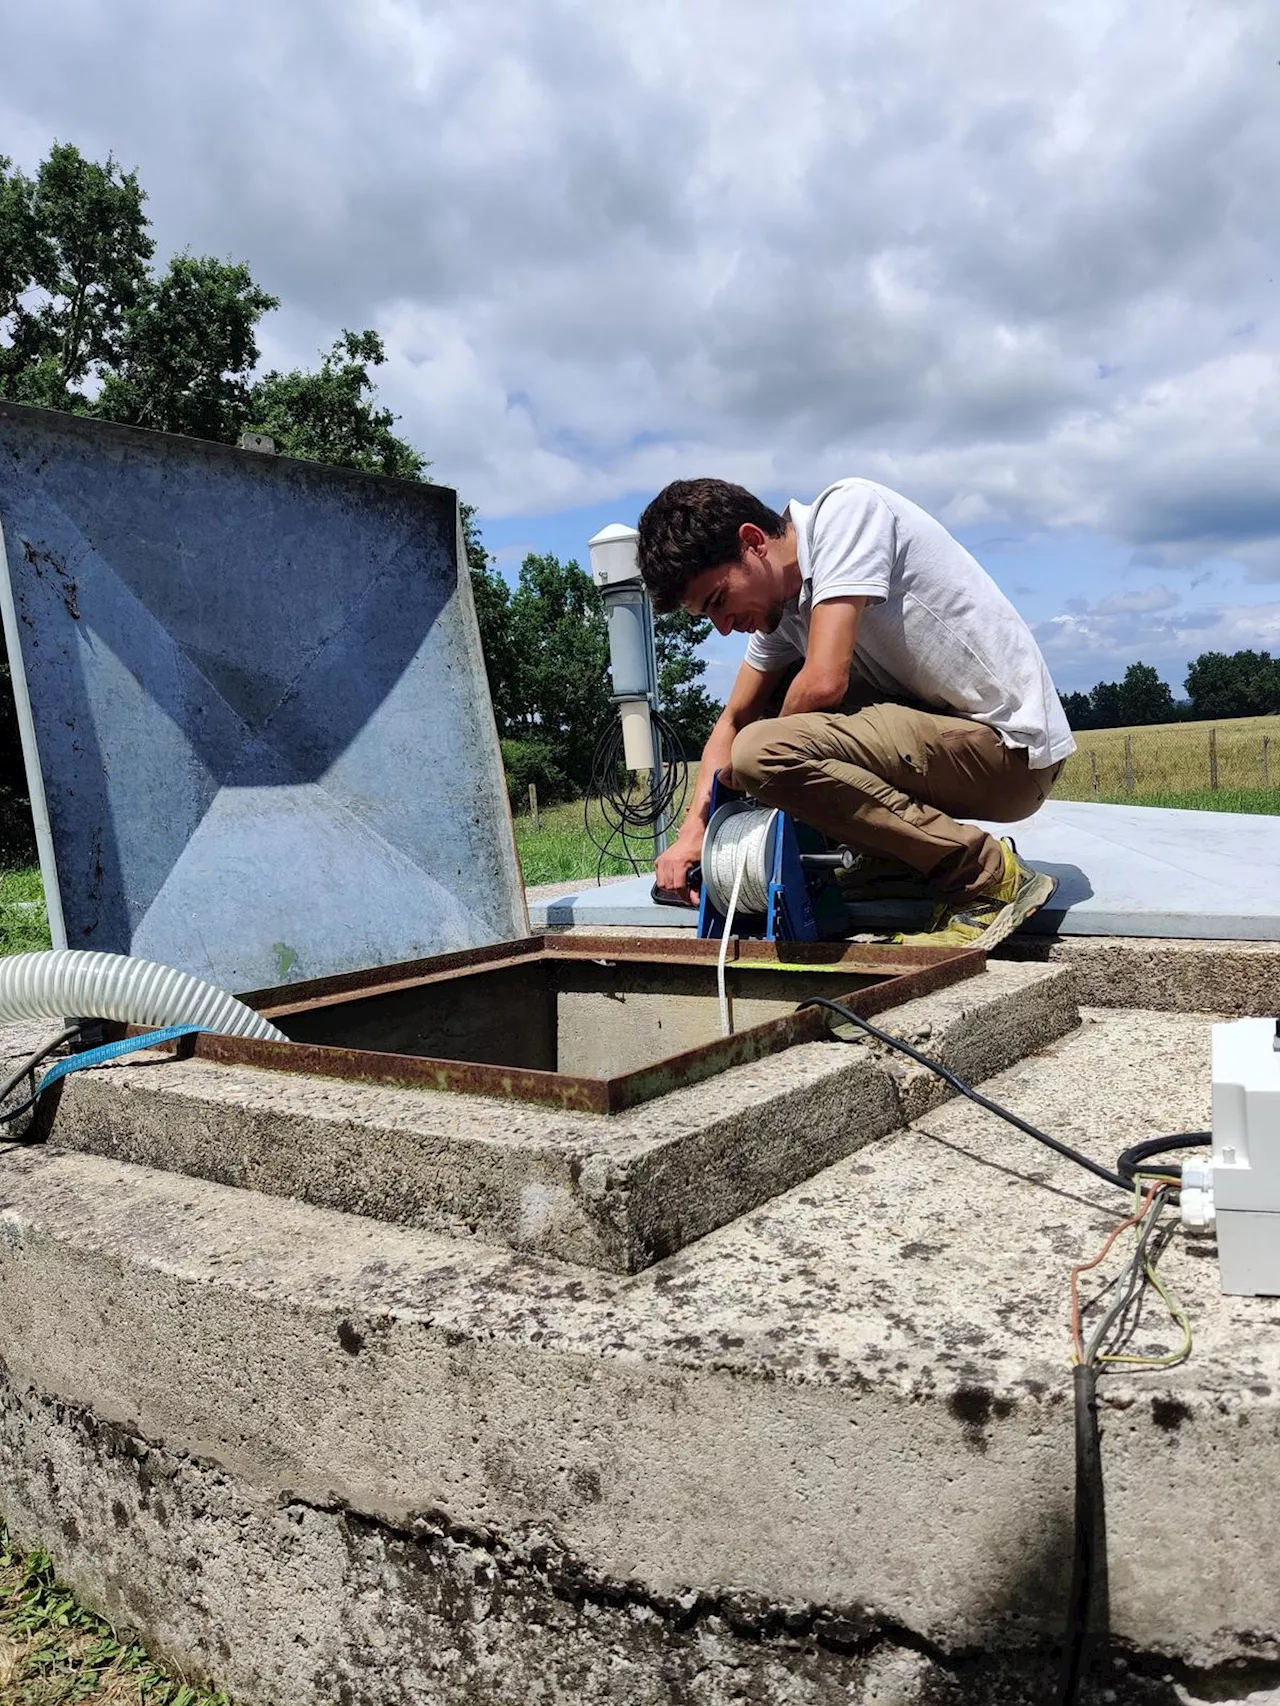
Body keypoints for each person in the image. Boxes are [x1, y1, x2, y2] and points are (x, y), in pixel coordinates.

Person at [638, 476, 1075, 947]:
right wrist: (693, 832)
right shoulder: (783, 614)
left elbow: (825, 681)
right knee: (764, 723)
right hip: (953, 750)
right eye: (707, 617)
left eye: (720, 601)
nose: (723, 627)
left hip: (1010, 753)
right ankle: (897, 866)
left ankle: (987, 878)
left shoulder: (846, 514)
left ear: (752, 542)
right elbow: (732, 719)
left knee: (765, 749)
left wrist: (757, 775)